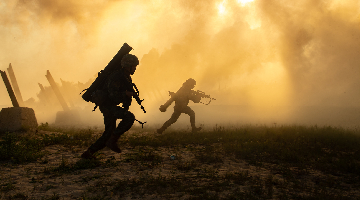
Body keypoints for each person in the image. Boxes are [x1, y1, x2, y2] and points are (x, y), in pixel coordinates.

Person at [81, 54, 139, 159]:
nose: (135, 68)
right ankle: (113, 140)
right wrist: (125, 94)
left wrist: (127, 103)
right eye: (134, 66)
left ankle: (89, 153)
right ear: (127, 66)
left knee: (108, 133)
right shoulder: (116, 76)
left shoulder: (126, 77)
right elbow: (112, 95)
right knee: (129, 117)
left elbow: (126, 96)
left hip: (110, 105)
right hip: (107, 105)